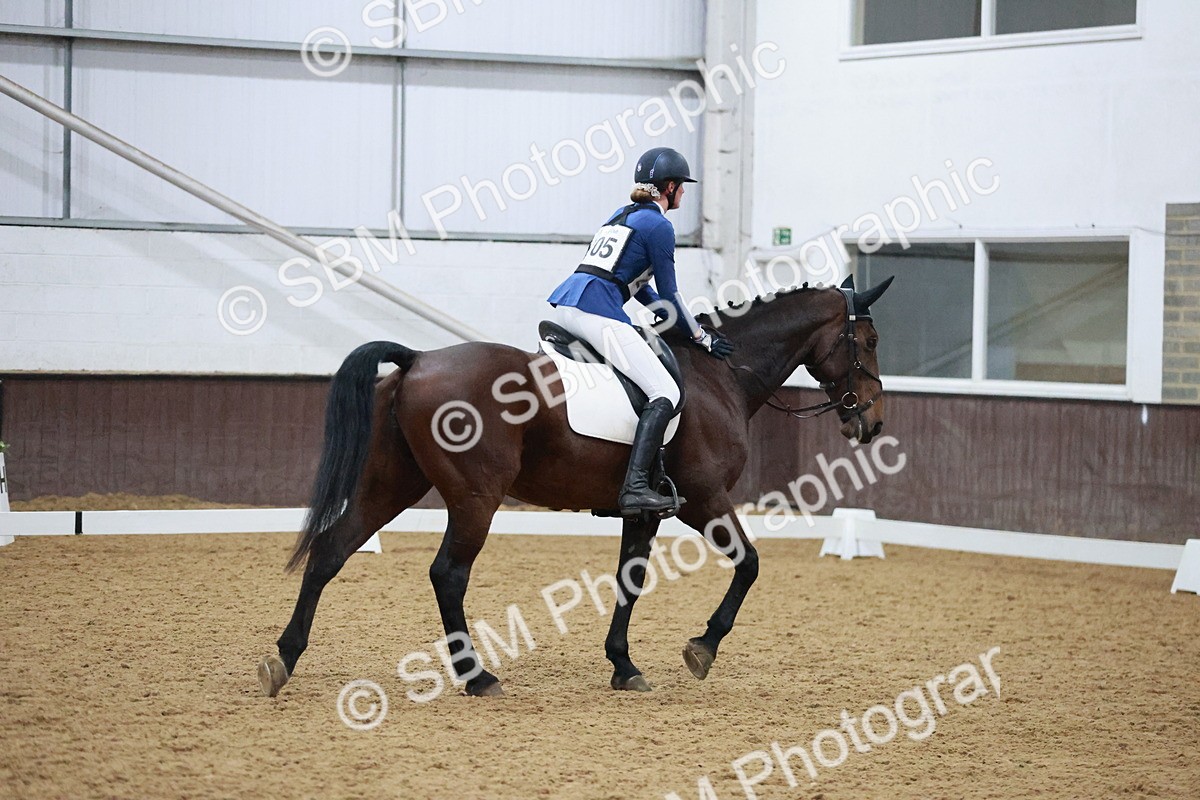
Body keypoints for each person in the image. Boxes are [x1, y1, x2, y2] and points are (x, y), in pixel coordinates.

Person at [546, 146, 734, 515]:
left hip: (566, 305)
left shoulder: (622, 215)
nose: (684, 193)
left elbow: (641, 289)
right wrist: (701, 336)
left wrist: (672, 322)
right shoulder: (660, 225)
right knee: (664, 390)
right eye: (682, 187)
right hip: (594, 311)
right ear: (670, 186)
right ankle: (633, 487)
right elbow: (669, 293)